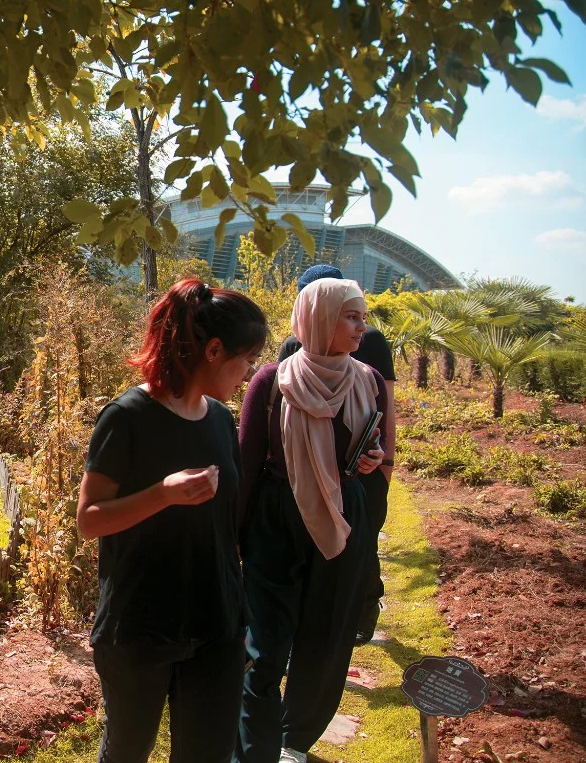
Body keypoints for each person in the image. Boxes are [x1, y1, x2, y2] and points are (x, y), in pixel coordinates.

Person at [78, 279, 268, 763]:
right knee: (127, 752)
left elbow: (227, 532)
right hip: (140, 626)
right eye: (245, 360)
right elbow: (89, 520)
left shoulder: (222, 423)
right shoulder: (127, 417)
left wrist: (242, 615)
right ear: (213, 349)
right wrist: (162, 494)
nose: (248, 374)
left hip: (216, 625)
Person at [236, 278, 389, 763]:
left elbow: (371, 448)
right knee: (265, 644)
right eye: (351, 316)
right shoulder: (273, 381)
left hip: (343, 518)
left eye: (363, 317)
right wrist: (233, 538)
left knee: (326, 638)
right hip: (278, 520)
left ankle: (292, 740)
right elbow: (247, 465)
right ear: (319, 318)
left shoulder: (365, 380)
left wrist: (369, 460)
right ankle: (254, 745)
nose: (361, 326)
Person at [278, 264, 396, 644]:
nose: (359, 325)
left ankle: (363, 608)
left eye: (360, 315)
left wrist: (383, 462)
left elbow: (383, 408)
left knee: (361, 549)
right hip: (299, 485)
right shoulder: (288, 356)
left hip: (357, 478)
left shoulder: (370, 349)